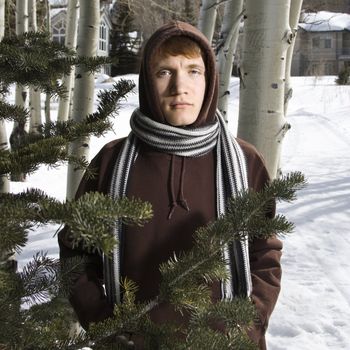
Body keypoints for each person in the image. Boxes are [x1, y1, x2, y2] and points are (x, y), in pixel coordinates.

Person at [59, 21, 282, 349]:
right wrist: (105, 327)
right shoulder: (111, 162)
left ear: (210, 79)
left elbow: (264, 253)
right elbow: (75, 254)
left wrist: (249, 324)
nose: (181, 86)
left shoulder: (245, 162)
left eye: (193, 71)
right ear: (147, 83)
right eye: (165, 72)